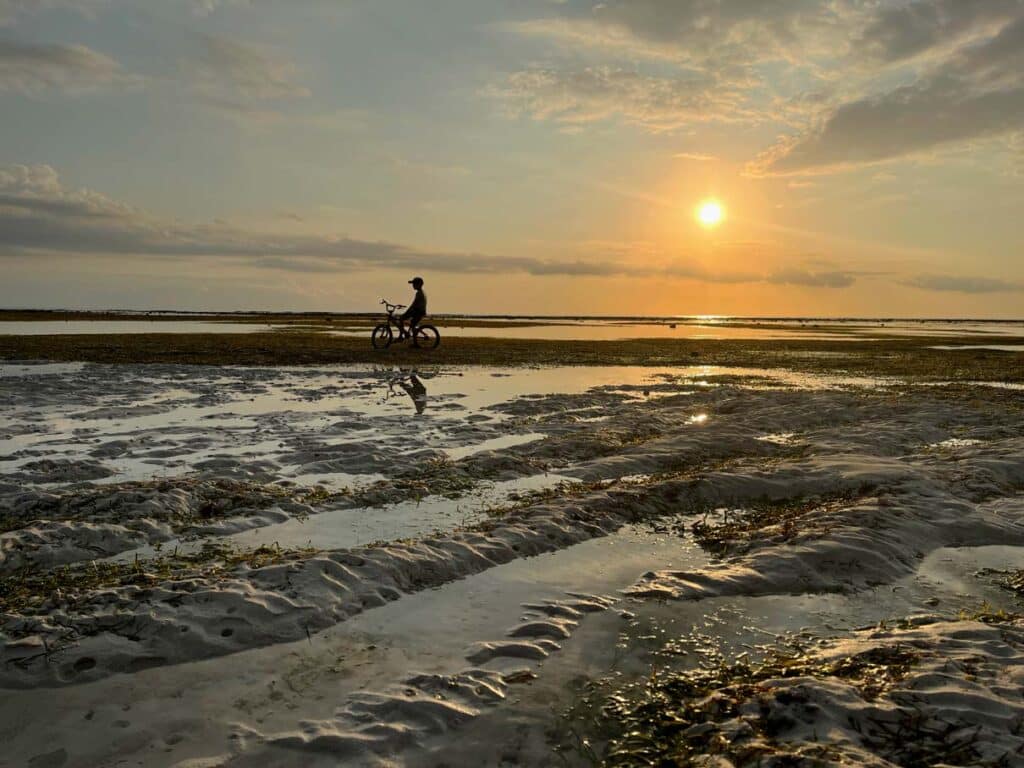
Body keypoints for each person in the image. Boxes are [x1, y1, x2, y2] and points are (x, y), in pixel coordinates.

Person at [399, 276, 428, 346]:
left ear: (418, 284)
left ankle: (402, 336)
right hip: (419, 312)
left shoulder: (419, 293)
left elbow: (413, 304)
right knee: (412, 325)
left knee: (401, 319)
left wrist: (407, 312)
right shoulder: (421, 292)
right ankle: (408, 337)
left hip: (418, 312)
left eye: (414, 284)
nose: (413, 285)